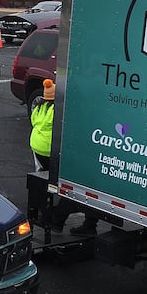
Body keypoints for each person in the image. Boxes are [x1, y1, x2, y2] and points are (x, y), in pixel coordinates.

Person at [30, 79, 99, 235]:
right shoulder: (59, 109)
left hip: (37, 146)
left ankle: (46, 215)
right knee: (70, 185)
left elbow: (34, 122)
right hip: (52, 149)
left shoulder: (39, 107)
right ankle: (57, 217)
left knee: (44, 181)